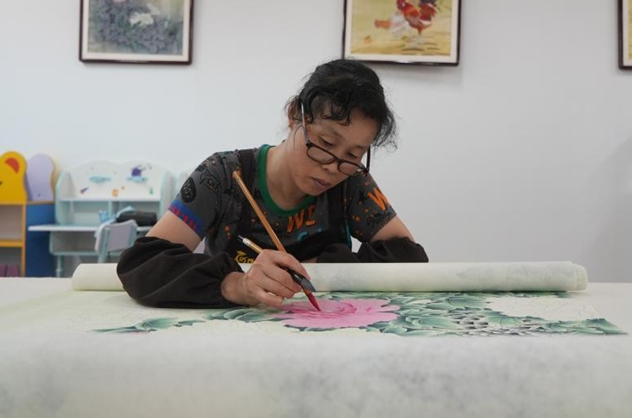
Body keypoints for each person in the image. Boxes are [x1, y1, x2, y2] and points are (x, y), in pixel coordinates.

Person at [117, 59, 428, 309]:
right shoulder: (224, 176)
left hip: (324, 341)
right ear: (295, 116)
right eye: (325, 142)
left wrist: (321, 265)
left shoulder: (350, 181)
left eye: (353, 154)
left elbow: (408, 256)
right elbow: (141, 264)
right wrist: (237, 284)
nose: (333, 167)